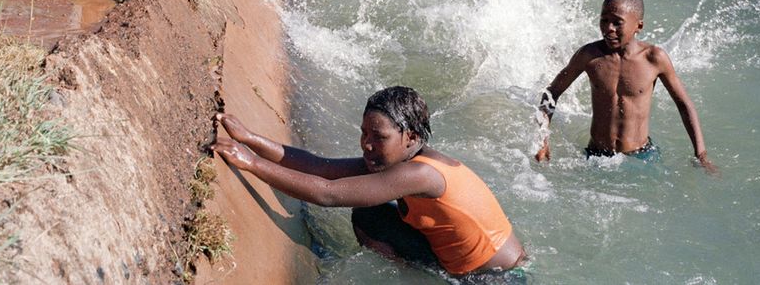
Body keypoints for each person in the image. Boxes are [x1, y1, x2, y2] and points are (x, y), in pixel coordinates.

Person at [213, 86, 526, 277]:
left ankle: (408, 276)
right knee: (369, 216)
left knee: (366, 213)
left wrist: (251, 164)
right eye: (364, 133)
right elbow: (321, 168)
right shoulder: (403, 160)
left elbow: (329, 194)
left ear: (411, 138)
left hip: (493, 277)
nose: (367, 144)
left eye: (379, 137)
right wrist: (251, 140)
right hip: (467, 260)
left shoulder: (419, 174)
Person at [534, 0, 717, 171]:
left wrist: (701, 155)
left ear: (639, 26)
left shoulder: (654, 59)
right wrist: (542, 139)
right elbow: (552, 92)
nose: (608, 28)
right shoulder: (589, 56)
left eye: (617, 23)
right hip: (597, 156)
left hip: (641, 156)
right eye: (604, 20)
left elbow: (684, 104)